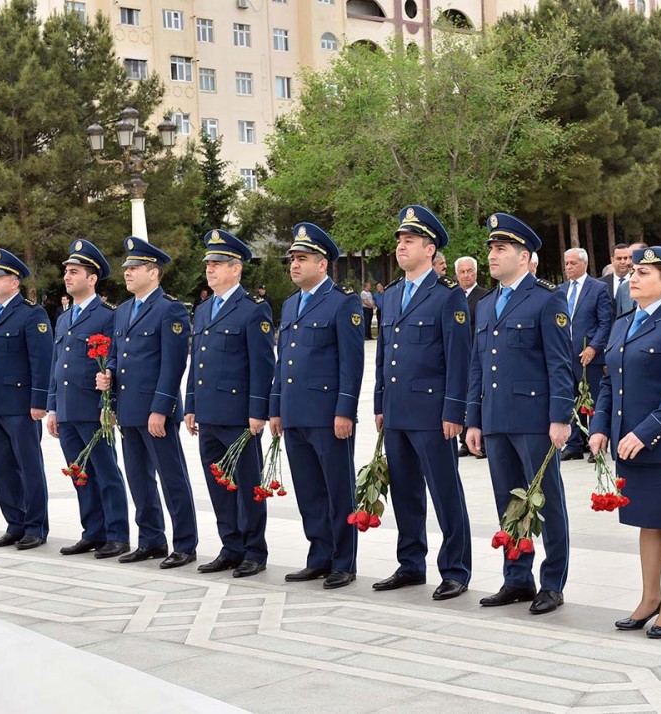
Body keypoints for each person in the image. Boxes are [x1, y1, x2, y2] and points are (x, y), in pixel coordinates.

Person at [588, 247, 661, 640]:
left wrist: (645, 431)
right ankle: (649, 597)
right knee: (646, 523)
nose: (634, 278)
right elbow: (608, 381)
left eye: (645, 273)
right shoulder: (623, 324)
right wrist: (601, 426)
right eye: (633, 271)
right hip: (628, 442)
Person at [465, 213, 575, 615]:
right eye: (491, 249)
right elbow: (478, 364)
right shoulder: (488, 302)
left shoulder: (547, 299)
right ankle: (516, 578)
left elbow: (560, 363)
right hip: (495, 418)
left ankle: (552, 581)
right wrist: (474, 417)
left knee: (546, 503)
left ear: (524, 255)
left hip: (534, 419)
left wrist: (560, 417)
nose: (492, 256)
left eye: (500, 249)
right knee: (507, 502)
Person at [373, 205, 472, 601]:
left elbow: (458, 359)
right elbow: (384, 354)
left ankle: (455, 568)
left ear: (430, 249)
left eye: (409, 241)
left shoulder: (447, 297)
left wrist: (454, 410)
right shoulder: (392, 295)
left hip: (433, 415)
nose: (401, 246)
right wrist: (380, 402)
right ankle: (411, 563)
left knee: (445, 491)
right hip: (397, 412)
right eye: (399, 240)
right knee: (405, 492)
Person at [270, 223, 365, 589]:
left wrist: (345, 410)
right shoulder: (292, 303)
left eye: (302, 258)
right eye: (292, 258)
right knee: (309, 490)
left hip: (328, 416)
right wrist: (276, 407)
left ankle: (344, 561)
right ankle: (319, 555)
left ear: (322, 264)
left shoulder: (342, 302)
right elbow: (283, 361)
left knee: (338, 489)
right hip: (295, 413)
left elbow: (351, 362)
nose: (294, 265)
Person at [97, 237, 198, 569]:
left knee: (172, 479)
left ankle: (185, 543)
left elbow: (173, 365)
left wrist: (161, 408)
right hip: (128, 410)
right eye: (126, 268)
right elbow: (116, 355)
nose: (127, 273)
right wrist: (108, 376)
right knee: (138, 479)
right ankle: (152, 539)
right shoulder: (124, 310)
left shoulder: (169, 309)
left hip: (156, 411)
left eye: (134, 268)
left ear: (153, 273)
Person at [185, 230, 274, 578]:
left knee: (248, 484)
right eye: (209, 263)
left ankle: (254, 550)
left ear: (236, 269)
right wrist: (191, 403)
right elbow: (199, 364)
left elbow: (262, 364)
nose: (211, 269)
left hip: (239, 416)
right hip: (208, 413)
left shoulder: (253, 309)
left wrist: (258, 411)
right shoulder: (205, 309)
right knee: (219, 484)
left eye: (218, 264)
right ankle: (230, 545)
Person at [46, 240, 130, 559]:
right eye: (66, 271)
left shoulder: (108, 315)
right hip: (67, 409)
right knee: (80, 473)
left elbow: (113, 361)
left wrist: (107, 406)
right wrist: (53, 407)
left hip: (94, 410)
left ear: (92, 278)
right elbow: (57, 365)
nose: (67, 276)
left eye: (74, 271)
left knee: (106, 472)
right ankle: (93, 532)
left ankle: (117, 534)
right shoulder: (64, 318)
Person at [0, 248, 53, 550]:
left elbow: (42, 361)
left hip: (21, 406)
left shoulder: (32, 314)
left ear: (14, 282)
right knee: (2, 467)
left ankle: (35, 526)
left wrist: (39, 401)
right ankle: (14, 523)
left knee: (28, 466)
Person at [558, 248, 612, 461]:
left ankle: (597, 443)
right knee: (570, 399)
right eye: (566, 263)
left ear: (584, 264)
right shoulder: (560, 290)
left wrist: (594, 347)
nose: (568, 267)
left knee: (596, 400)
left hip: (589, 355)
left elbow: (605, 322)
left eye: (572, 263)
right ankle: (574, 445)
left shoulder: (598, 288)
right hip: (565, 355)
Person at [455, 256, 490, 459]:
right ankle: (464, 440)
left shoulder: (484, 297)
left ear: (476, 273)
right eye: (462, 271)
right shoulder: (453, 296)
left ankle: (481, 441)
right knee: (461, 399)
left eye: (470, 271)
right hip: (457, 358)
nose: (466, 275)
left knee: (477, 398)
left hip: (476, 357)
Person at [613, 242, 647, 316]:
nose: (627, 262)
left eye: (631, 257)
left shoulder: (658, 287)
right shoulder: (623, 288)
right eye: (626, 258)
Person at [603, 243, 633, 317]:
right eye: (619, 258)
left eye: (625, 258)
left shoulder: (637, 281)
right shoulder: (601, 283)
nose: (623, 262)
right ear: (612, 260)